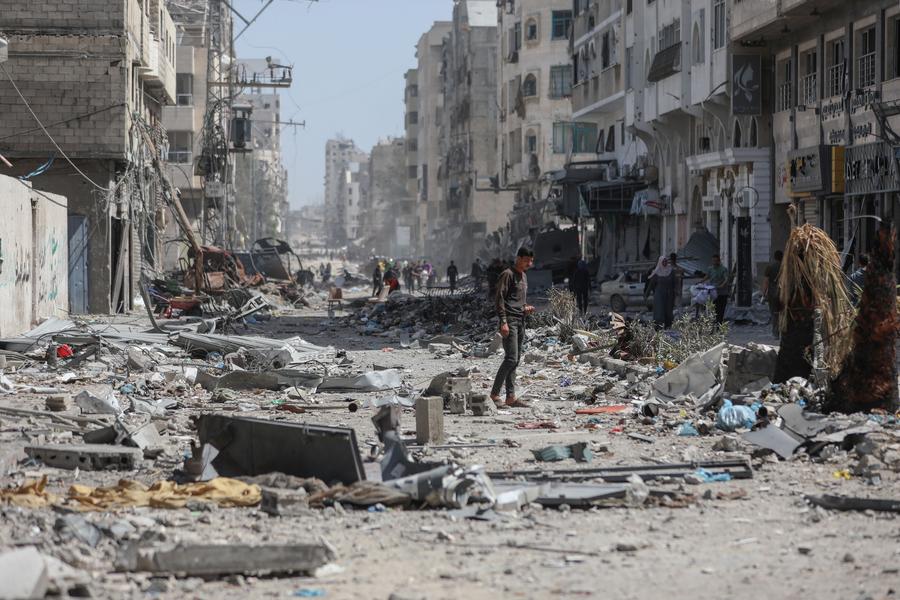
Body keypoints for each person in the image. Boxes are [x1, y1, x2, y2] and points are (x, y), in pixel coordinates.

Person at [490, 247, 535, 409]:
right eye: (526, 260)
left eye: (531, 261)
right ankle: (494, 395)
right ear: (518, 258)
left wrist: (526, 307)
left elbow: (518, 300)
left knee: (515, 360)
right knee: (510, 358)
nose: (529, 264)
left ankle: (510, 397)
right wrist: (503, 321)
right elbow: (499, 298)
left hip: (521, 320)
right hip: (509, 321)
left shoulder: (524, 276)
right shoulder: (507, 274)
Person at [646, 256, 676, 329]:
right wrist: (646, 294)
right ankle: (658, 327)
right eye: (663, 261)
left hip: (669, 294)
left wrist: (675, 293)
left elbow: (674, 283)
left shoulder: (671, 271)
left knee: (668, 311)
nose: (665, 263)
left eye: (666, 261)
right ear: (660, 262)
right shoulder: (656, 272)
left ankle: (668, 326)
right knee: (659, 311)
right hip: (659, 294)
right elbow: (651, 284)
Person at [761, 250, 783, 338]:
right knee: (783, 312)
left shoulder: (770, 267)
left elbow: (766, 281)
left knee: (774, 313)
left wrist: (763, 294)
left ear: (774, 257)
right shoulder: (785, 267)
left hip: (772, 293)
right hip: (784, 293)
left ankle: (776, 333)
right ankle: (783, 331)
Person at [703, 254, 730, 324]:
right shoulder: (710, 269)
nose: (714, 262)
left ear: (719, 261)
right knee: (714, 308)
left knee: (721, 309)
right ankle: (715, 322)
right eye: (713, 261)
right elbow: (707, 276)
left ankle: (719, 322)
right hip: (713, 292)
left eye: (716, 261)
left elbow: (726, 279)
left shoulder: (723, 269)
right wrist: (700, 282)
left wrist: (722, 285)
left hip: (722, 292)